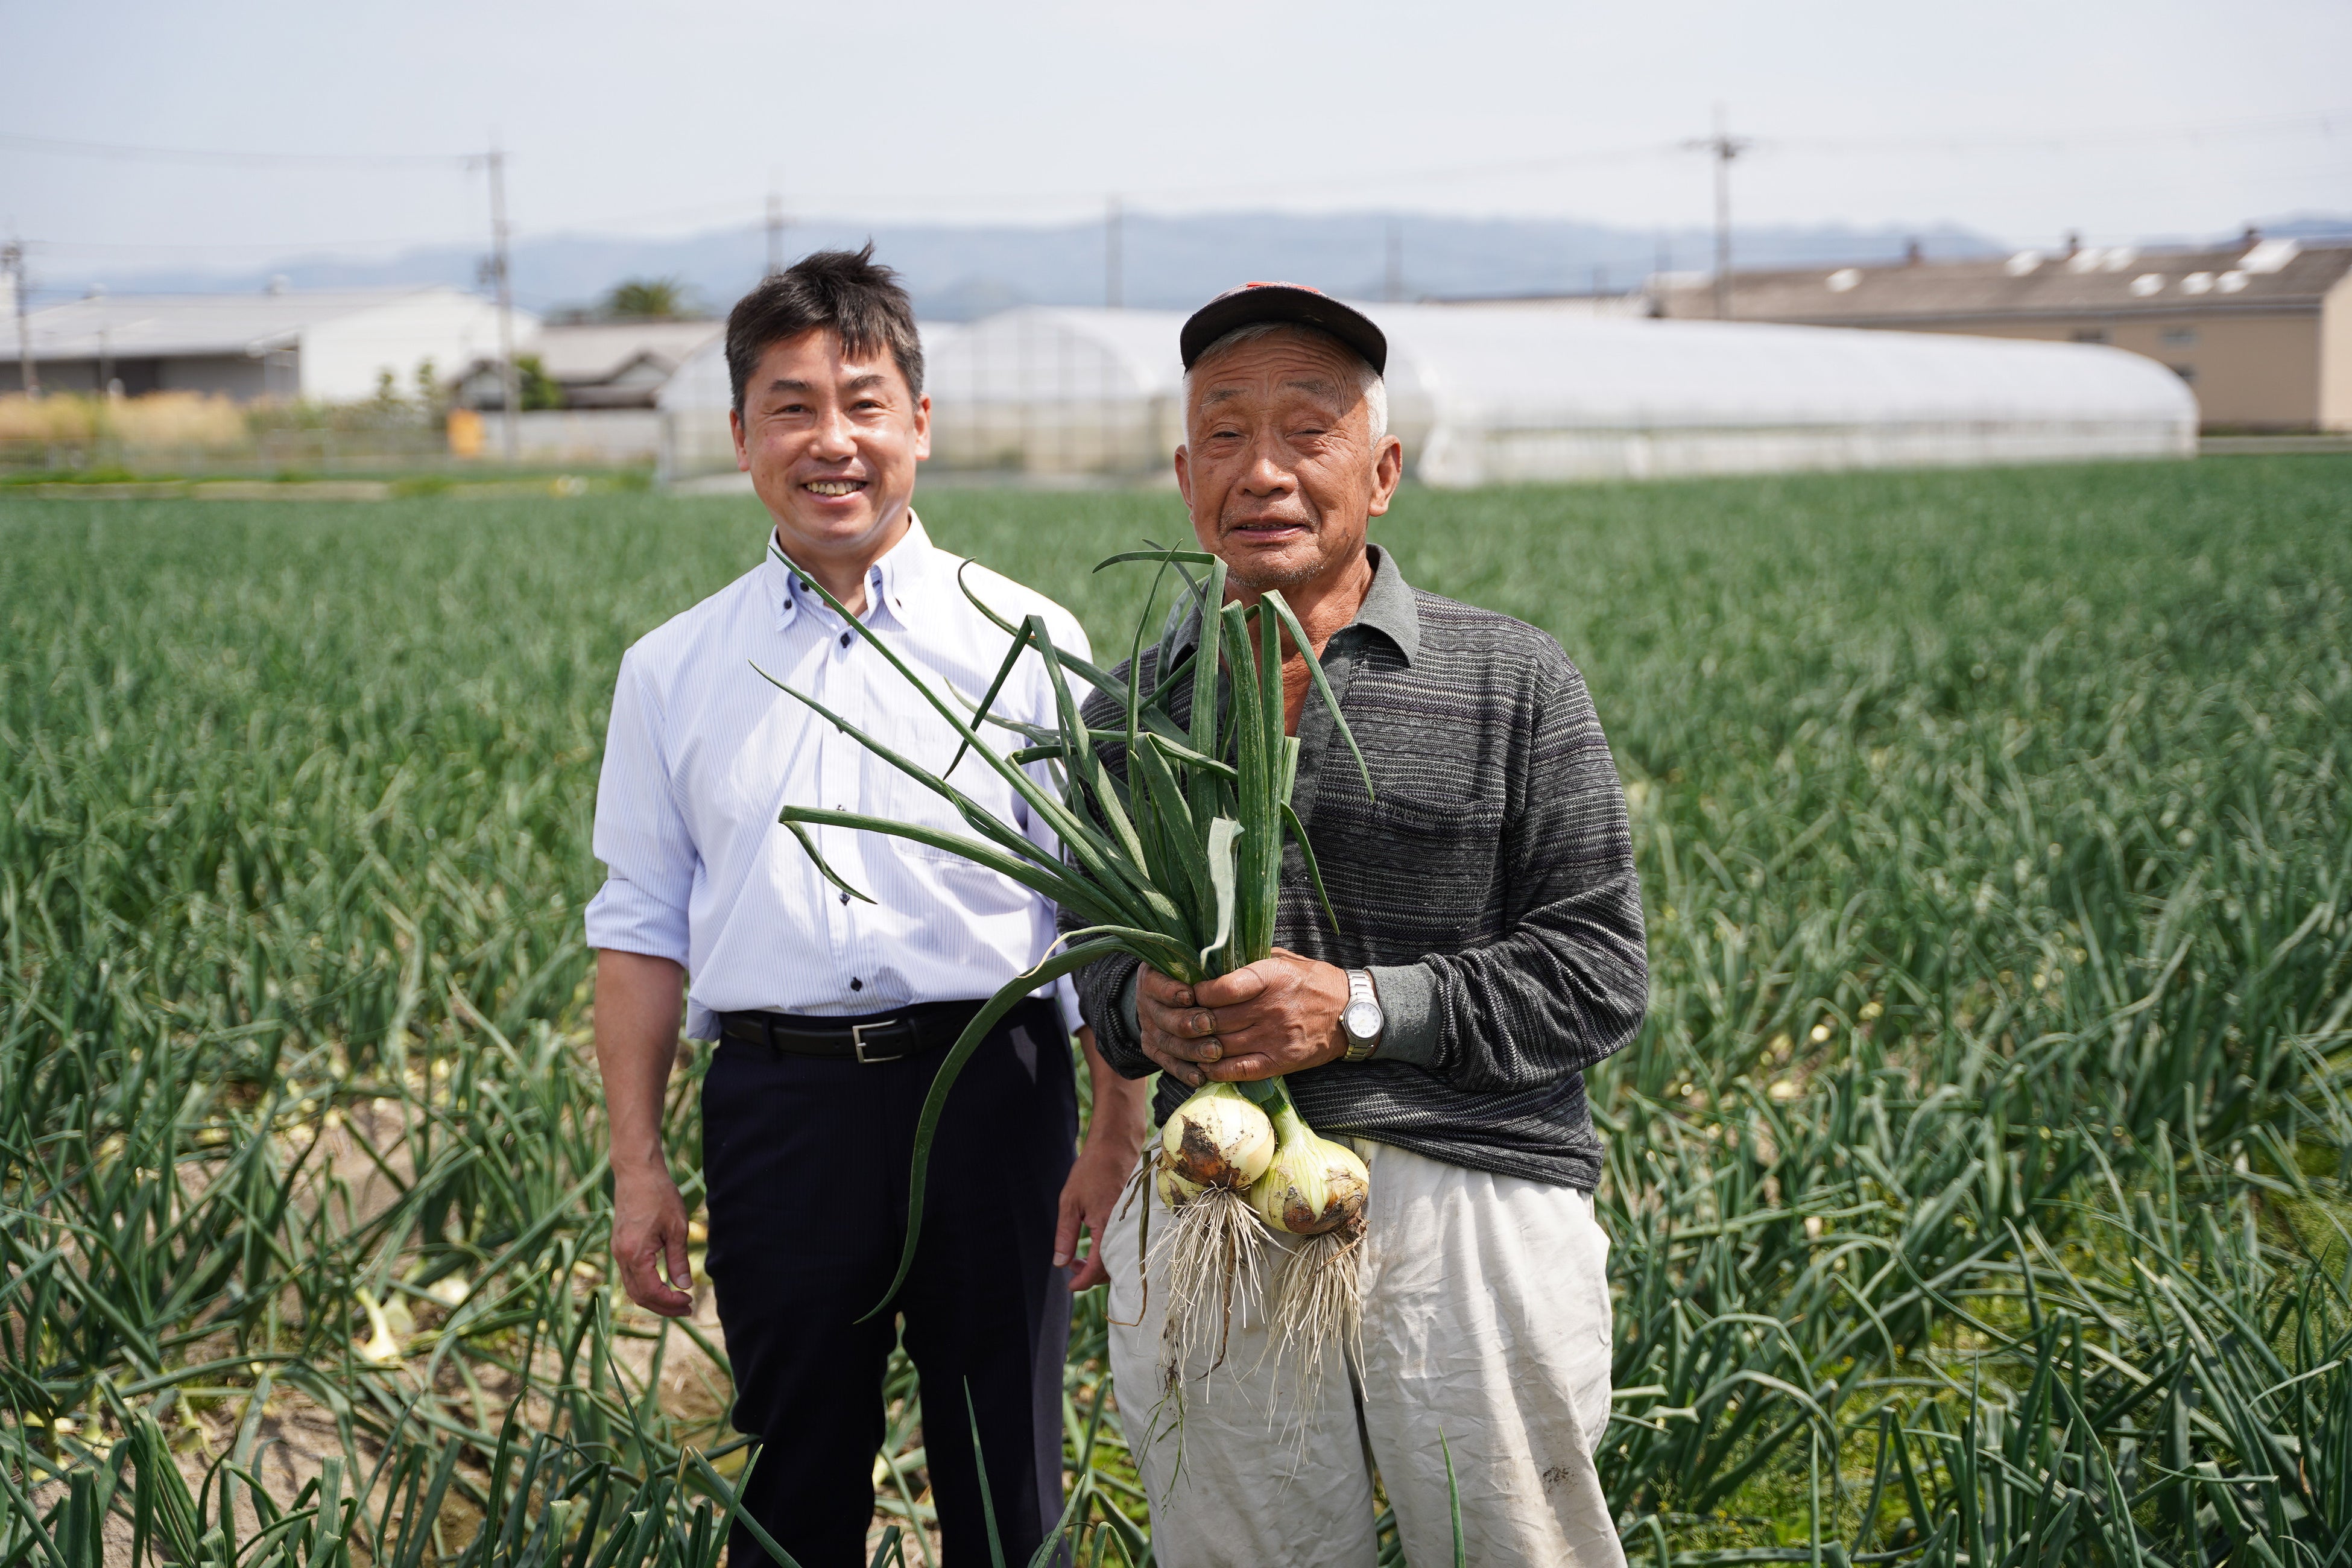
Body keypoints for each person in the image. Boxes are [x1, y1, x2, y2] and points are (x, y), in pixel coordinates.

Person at [587, 245, 1150, 1567]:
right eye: (791, 407)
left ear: (920, 424)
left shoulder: (1028, 643)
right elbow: (640, 927)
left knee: (1007, 1489)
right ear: (741, 437)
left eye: (863, 402)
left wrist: (1115, 1130)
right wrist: (638, 1165)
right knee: (795, 1489)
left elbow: (1098, 914)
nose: (830, 440)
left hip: (993, 1096)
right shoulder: (672, 668)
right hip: (780, 1113)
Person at [1075, 283, 1646, 1566]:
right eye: (1225, 434)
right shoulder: (1126, 712)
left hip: (1468, 1185)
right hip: (1219, 1189)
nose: (1263, 470)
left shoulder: (1512, 678)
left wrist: (1359, 1009)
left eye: (1308, 430)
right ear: (1185, 477)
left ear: (1382, 474)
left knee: (1514, 1543)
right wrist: (1144, 1008)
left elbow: (1600, 971)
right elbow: (1094, 969)